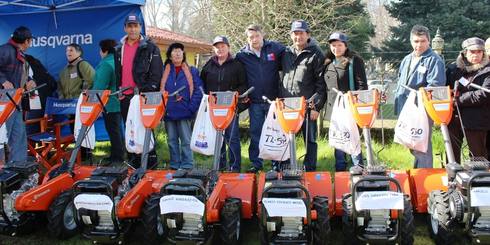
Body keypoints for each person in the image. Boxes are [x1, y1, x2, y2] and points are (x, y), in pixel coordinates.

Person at [114, 14, 163, 167]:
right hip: (126, 97)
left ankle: (150, 164)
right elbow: (118, 72)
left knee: (146, 129)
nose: (133, 29)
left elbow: (156, 73)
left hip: (143, 96)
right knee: (130, 129)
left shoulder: (150, 46)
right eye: (130, 26)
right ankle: (133, 163)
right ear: (125, 28)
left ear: (140, 27)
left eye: (135, 26)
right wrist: (119, 90)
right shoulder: (118, 48)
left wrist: (148, 92)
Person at [394, 25, 446, 168]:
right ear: (411, 41)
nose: (419, 45)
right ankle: (418, 175)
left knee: (422, 145)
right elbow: (400, 82)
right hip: (405, 108)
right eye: (416, 41)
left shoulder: (434, 60)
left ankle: (425, 178)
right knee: (413, 144)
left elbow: (435, 87)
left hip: (421, 110)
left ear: (428, 41)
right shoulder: (406, 59)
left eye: (423, 41)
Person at [236, 24, 285, 173]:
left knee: (276, 133)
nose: (254, 39)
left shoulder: (275, 48)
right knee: (256, 133)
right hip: (255, 102)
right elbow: (238, 76)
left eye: (257, 36)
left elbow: (292, 55)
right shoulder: (242, 55)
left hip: (274, 101)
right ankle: (256, 164)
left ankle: (277, 165)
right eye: (251, 37)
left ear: (262, 35)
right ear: (247, 38)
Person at [280, 20, 326, 171]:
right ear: (291, 35)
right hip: (287, 106)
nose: (298, 37)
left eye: (301, 33)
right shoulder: (286, 53)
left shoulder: (316, 54)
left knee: (310, 140)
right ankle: (286, 168)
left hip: (307, 106)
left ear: (308, 35)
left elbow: (321, 83)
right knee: (286, 139)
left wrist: (316, 107)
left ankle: (310, 169)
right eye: (295, 33)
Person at [200, 36, 247, 172]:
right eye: (217, 47)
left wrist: (232, 93)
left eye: (222, 46)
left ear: (228, 47)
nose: (220, 49)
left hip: (230, 108)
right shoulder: (209, 65)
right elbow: (201, 84)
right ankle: (220, 167)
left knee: (232, 138)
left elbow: (244, 85)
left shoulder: (236, 64)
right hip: (214, 109)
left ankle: (234, 168)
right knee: (217, 139)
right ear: (214, 49)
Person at [323, 32, 366, 171]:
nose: (336, 48)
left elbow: (362, 85)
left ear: (345, 46)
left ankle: (358, 168)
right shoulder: (327, 63)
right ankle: (340, 170)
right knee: (339, 140)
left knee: (352, 139)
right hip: (334, 109)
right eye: (333, 45)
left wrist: (358, 104)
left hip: (350, 108)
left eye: (339, 45)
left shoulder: (354, 61)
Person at [446, 37, 490, 162]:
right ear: (464, 53)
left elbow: (484, 94)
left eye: (479, 52)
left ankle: (480, 180)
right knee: (452, 156)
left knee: (478, 157)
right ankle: (453, 179)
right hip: (453, 119)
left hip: (477, 120)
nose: (476, 55)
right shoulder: (453, 69)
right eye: (472, 52)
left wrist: (458, 99)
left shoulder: (488, 70)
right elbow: (444, 89)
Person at [161, 42, 203, 170]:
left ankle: (187, 165)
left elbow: (198, 91)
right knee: (172, 141)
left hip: (185, 112)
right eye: (174, 51)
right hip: (168, 111)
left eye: (180, 50)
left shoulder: (192, 71)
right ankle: (174, 165)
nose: (178, 53)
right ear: (169, 55)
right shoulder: (164, 71)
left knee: (186, 140)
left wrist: (191, 108)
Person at [0, 26, 36, 163]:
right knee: (2, 137)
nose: (30, 44)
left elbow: (25, 75)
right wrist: (3, 81)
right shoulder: (4, 50)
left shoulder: (21, 55)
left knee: (19, 136)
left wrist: (29, 81)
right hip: (3, 103)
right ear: (26, 41)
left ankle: (18, 169)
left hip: (16, 101)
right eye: (30, 41)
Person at [92, 39, 125, 164]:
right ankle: (120, 154)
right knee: (118, 130)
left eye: (100, 50)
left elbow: (100, 86)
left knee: (113, 130)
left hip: (109, 102)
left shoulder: (105, 64)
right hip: (120, 100)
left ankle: (117, 158)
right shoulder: (118, 61)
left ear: (104, 50)